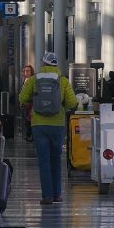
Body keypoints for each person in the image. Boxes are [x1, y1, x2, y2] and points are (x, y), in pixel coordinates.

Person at [20, 54, 69, 203]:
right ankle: (57, 194)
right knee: (56, 160)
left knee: (44, 161)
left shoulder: (34, 79)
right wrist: (61, 109)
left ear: (43, 64)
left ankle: (47, 196)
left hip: (39, 125)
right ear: (56, 65)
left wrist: (33, 103)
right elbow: (72, 101)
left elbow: (22, 98)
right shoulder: (63, 81)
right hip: (57, 125)